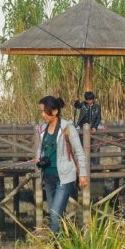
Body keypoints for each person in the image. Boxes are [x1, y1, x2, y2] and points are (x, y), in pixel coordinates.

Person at [36, 96, 88, 233]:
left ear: (54, 111)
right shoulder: (42, 129)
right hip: (48, 177)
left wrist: (82, 174)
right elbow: (40, 148)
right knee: (56, 215)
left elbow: (79, 152)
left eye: (45, 111)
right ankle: (63, 247)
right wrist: (38, 158)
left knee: (54, 214)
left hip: (64, 177)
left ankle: (56, 248)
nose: (43, 115)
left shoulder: (67, 128)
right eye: (41, 111)